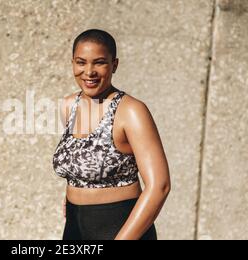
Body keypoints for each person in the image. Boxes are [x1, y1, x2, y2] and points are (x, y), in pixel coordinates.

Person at [52, 29, 171, 240]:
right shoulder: (69, 105)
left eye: (99, 62)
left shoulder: (131, 111)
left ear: (114, 65)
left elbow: (159, 186)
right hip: (74, 228)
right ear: (72, 63)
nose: (89, 71)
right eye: (81, 62)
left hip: (120, 229)